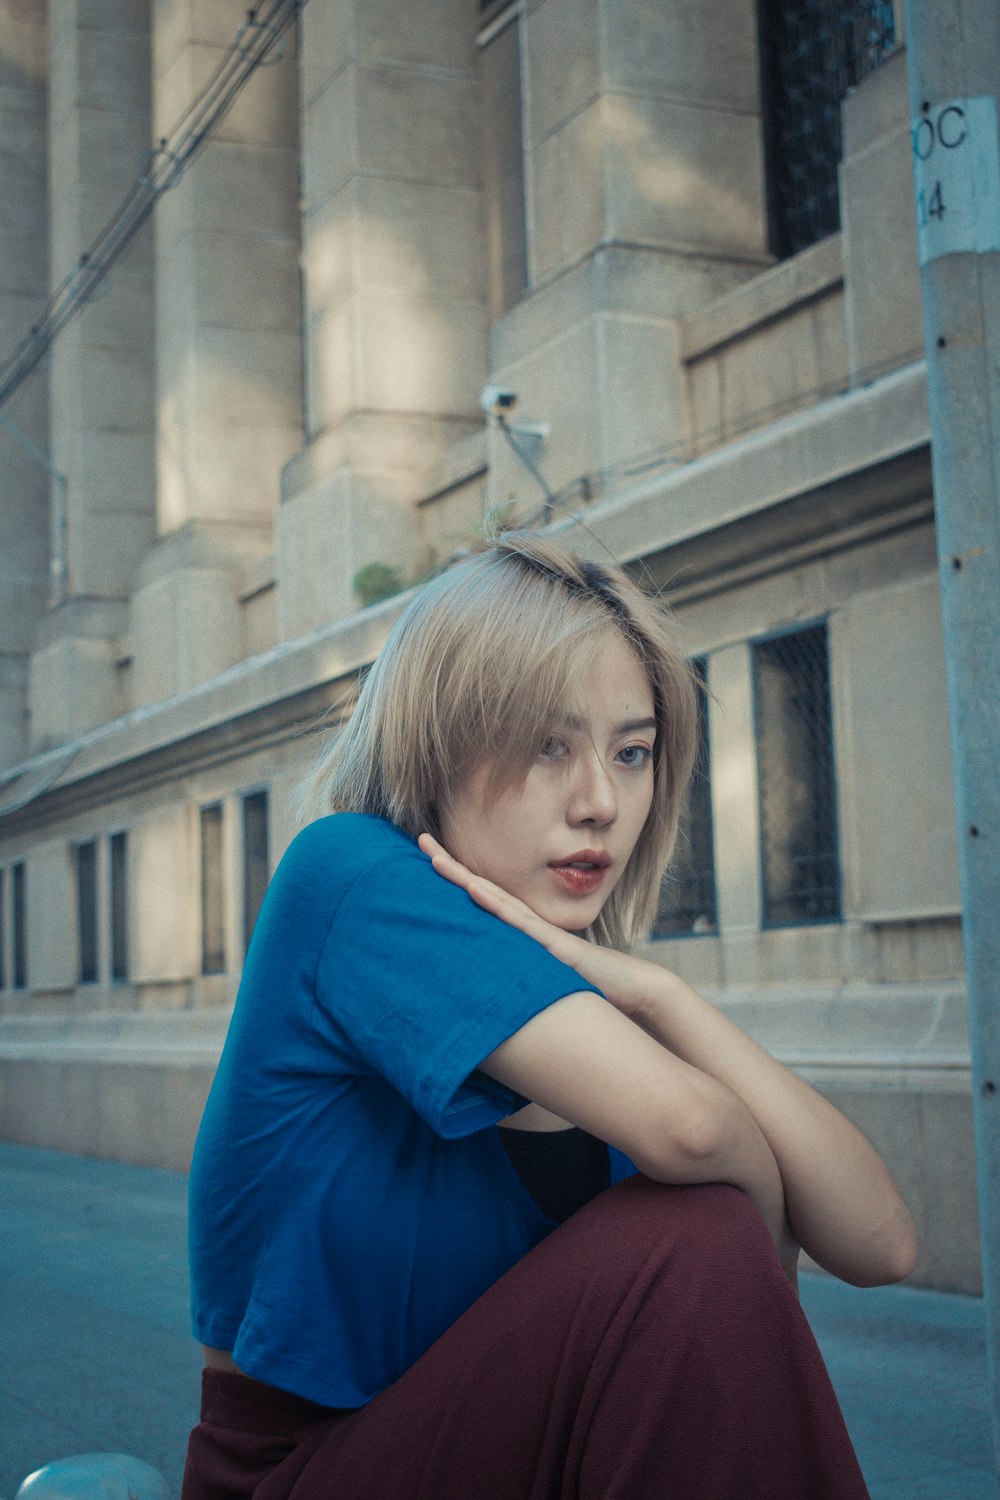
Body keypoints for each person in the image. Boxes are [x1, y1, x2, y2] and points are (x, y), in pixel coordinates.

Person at [181, 534, 917, 1500]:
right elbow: (699, 1140)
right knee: (695, 1230)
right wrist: (736, 1176)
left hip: (526, 1457)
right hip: (307, 1472)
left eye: (633, 752)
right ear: (436, 741)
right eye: (547, 744)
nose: (601, 802)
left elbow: (883, 1245)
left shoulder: (609, 1016)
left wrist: (664, 997)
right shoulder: (349, 876)